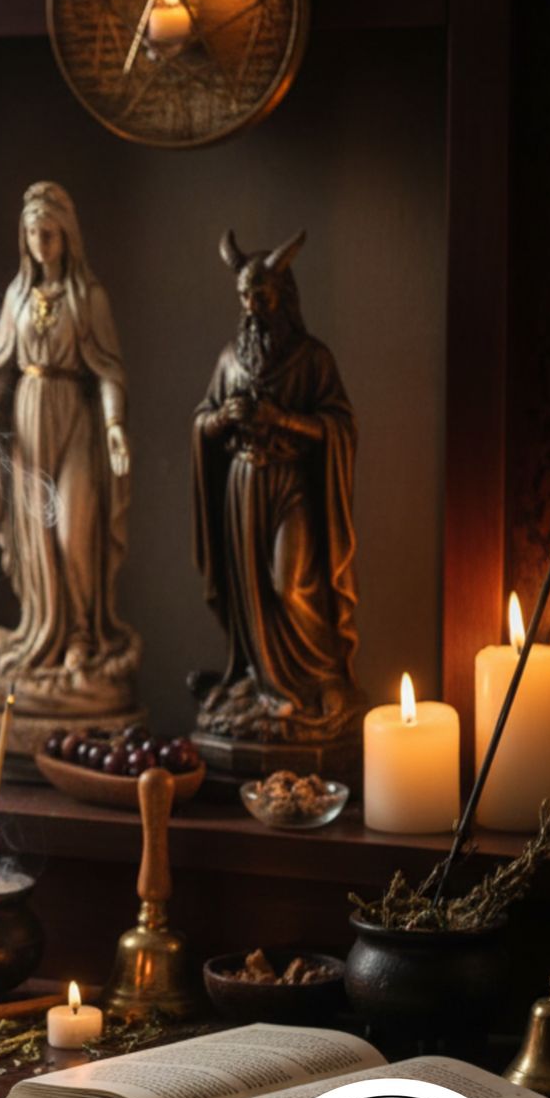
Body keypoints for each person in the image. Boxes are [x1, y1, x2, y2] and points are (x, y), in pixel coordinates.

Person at [0, 181, 138, 715]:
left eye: (49, 233)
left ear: (67, 236)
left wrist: (116, 424)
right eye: (31, 233)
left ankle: (80, 639)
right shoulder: (17, 296)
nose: (40, 243)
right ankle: (45, 641)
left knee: (75, 533)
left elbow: (108, 371)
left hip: (75, 418)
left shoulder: (88, 297)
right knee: (36, 540)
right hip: (29, 422)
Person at [190, 229, 364, 742]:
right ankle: (264, 685)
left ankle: (312, 684)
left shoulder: (312, 359)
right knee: (252, 596)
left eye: (260, 294)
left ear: (283, 296)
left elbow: (340, 425)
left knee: (290, 587)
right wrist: (223, 417)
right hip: (242, 487)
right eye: (244, 294)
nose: (251, 304)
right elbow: (202, 418)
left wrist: (283, 420)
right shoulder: (230, 358)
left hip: (289, 486)